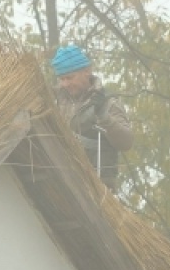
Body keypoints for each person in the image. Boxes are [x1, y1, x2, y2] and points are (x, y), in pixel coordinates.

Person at [50, 45, 134, 191]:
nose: (65, 84)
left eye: (70, 77)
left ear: (87, 71)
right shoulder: (54, 101)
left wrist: (104, 117)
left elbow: (126, 142)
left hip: (97, 190)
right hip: (62, 183)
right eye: (62, 79)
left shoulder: (108, 104)